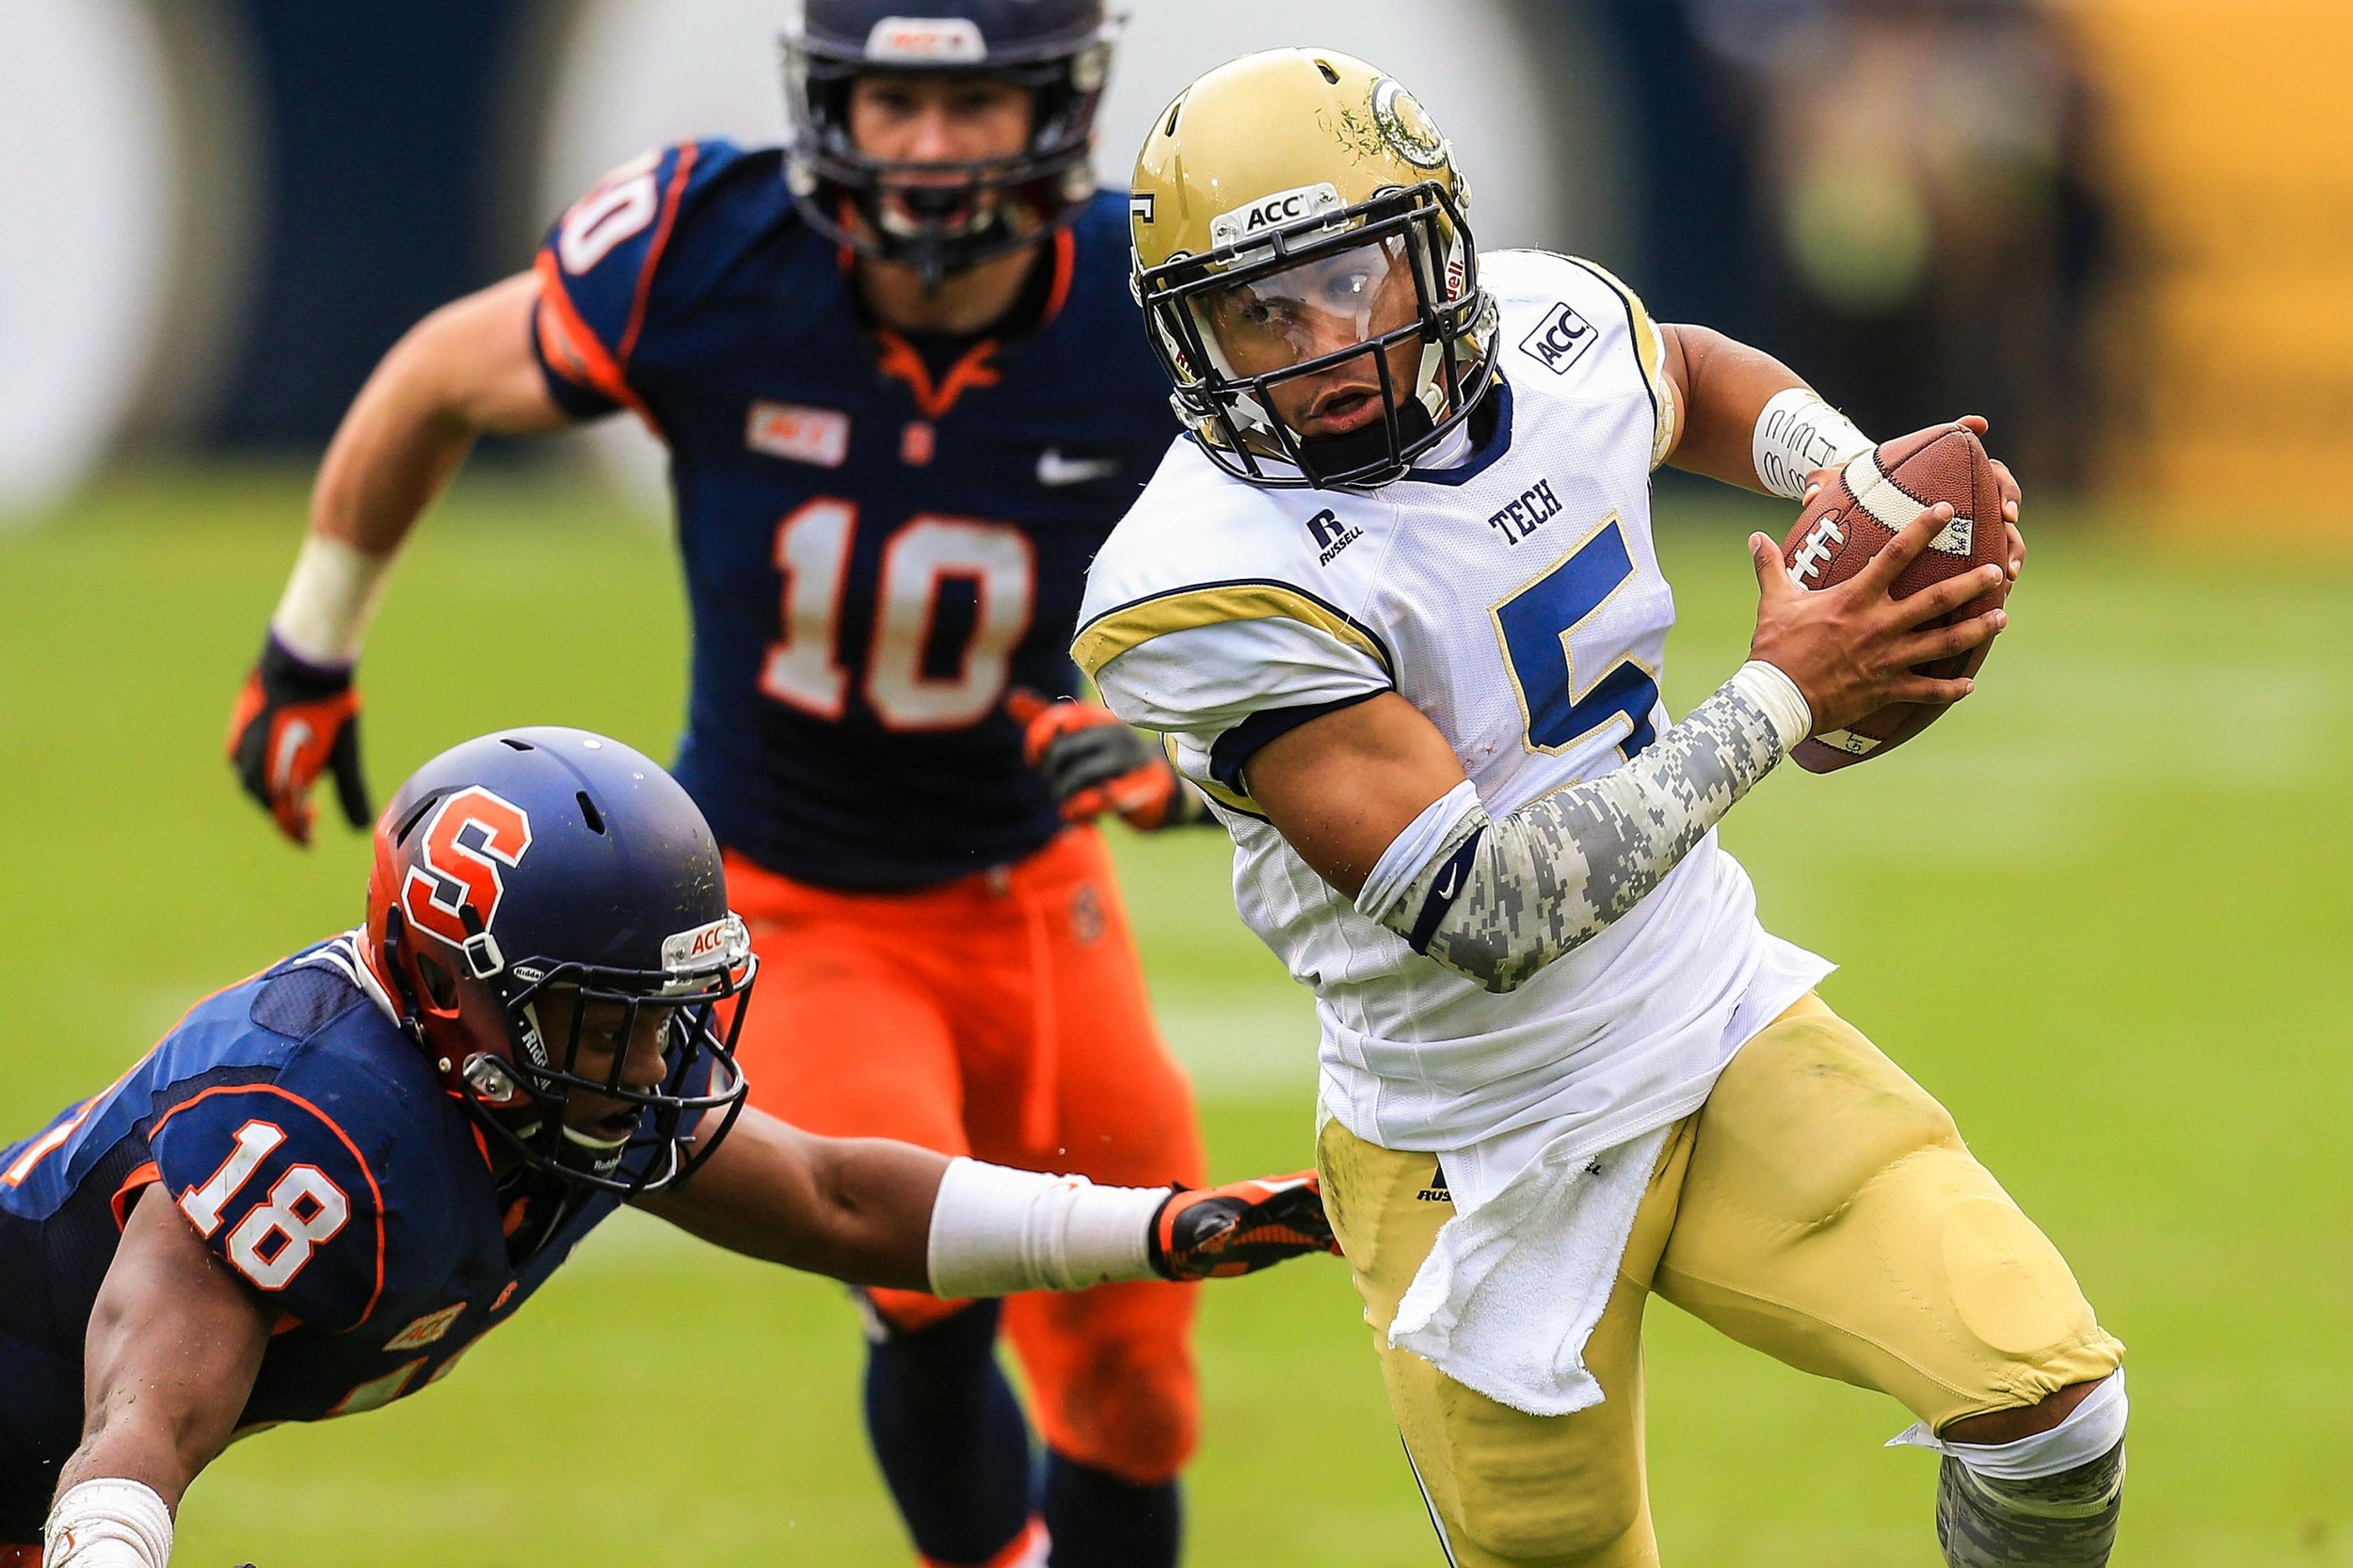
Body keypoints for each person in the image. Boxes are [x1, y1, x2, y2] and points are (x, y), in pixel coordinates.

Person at [1066, 48, 2127, 1568]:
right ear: (1195, 338)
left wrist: (1856, 485)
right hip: (1470, 1140)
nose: (1323, 341)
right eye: (1261, 312)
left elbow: (1680, 374)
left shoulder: (1550, 322)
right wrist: (1786, 692)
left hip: (1708, 1020)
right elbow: (1489, 912)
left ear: (1434, 248)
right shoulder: (1198, 577)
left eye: (1352, 277)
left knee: (2053, 1411)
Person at [220, 4, 1224, 1565]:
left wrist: (1190, 760)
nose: (933, 147)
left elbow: (1317, 565)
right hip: (788, 889)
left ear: (1061, 105)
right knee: (923, 1273)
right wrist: (309, 644)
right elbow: (437, 376)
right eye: (896, 101)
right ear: (833, 103)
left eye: (973, 105)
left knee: (1141, 1380)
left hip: (1031, 889)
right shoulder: (715, 250)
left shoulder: (1147, 303)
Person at [3, 730, 1331, 1568]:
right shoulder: (317, 1123)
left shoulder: (545, 1080)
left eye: (661, 1016)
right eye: (602, 1020)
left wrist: (1160, 1229)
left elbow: (837, 1194)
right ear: (458, 995)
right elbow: (135, 1431)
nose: (649, 1064)